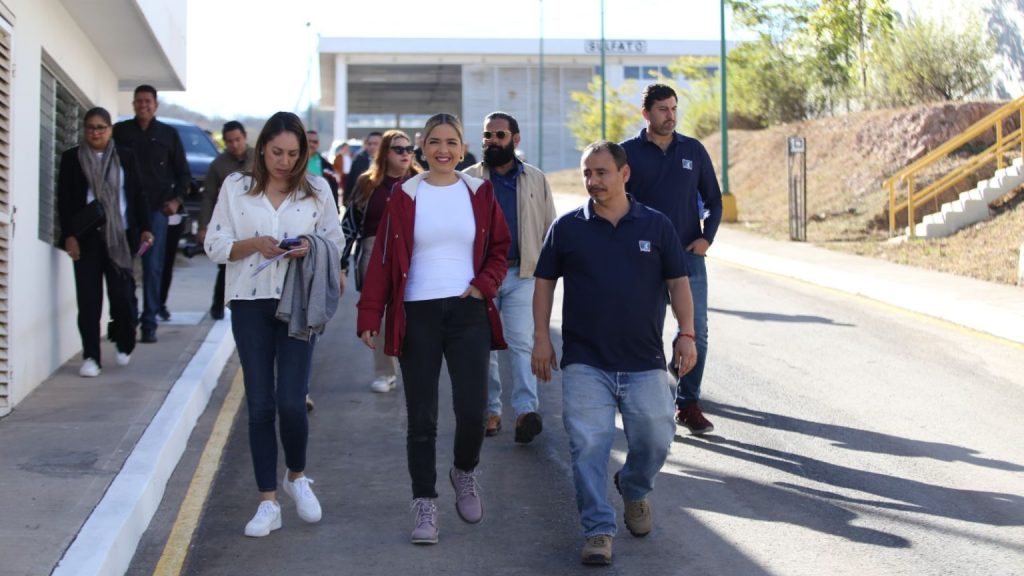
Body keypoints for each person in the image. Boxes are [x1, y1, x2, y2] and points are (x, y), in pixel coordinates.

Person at [532, 141, 697, 565]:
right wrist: (541, 338)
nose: (593, 181)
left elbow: (679, 282)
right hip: (586, 360)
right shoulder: (568, 227)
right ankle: (598, 529)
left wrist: (687, 333)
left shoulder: (656, 226)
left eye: (601, 172)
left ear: (624, 175)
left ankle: (636, 487)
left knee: (657, 437)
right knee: (587, 444)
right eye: (587, 173)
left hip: (644, 360)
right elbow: (545, 282)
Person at [356, 113, 510, 545]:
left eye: (452, 142)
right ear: (422, 146)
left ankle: (464, 471)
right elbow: (384, 261)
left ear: (463, 148)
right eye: (435, 141)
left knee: (474, 412)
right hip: (416, 314)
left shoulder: (479, 191)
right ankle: (424, 503)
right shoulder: (403, 196)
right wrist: (370, 313)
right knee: (421, 419)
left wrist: (484, 285)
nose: (444, 150)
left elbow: (500, 248)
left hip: (468, 312)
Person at [204, 112, 344, 538]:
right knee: (261, 403)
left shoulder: (318, 189)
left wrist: (309, 245)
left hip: (298, 302)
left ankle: (296, 476)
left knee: (291, 401)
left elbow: (335, 243)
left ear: (304, 155)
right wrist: (254, 245)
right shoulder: (235, 188)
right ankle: (268, 501)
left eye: (293, 154)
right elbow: (214, 245)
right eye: (277, 152)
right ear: (262, 147)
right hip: (248, 303)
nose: (284, 161)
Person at [620, 83, 722, 435]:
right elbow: (615, 203)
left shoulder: (692, 149)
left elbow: (714, 199)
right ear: (646, 114)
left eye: (674, 108)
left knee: (697, 333)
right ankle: (649, 402)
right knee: (645, 333)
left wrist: (706, 238)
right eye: (662, 109)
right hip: (643, 261)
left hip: (688, 259)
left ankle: (687, 403)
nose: (670, 115)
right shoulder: (626, 153)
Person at [463, 111, 557, 442]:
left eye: (499, 135)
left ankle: (525, 412)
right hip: (482, 276)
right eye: (487, 135)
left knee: (520, 343)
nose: (492, 141)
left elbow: (550, 226)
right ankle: (491, 412)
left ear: (515, 140)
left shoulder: (535, 178)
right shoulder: (468, 179)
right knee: (483, 347)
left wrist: (550, 270)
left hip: (523, 273)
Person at [58, 107, 154, 377]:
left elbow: (137, 194)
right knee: (89, 301)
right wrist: (70, 236)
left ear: (110, 129)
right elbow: (64, 202)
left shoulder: (125, 156)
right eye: (90, 127)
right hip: (87, 238)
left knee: (122, 297)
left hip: (120, 237)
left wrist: (146, 227)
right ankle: (91, 356)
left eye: (100, 127)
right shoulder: (72, 158)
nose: (95, 132)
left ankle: (124, 342)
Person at [341, 129, 422, 393]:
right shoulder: (367, 183)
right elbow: (349, 226)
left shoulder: (421, 183)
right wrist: (341, 265)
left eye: (409, 149)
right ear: (385, 153)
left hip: (412, 254)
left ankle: (414, 368)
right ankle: (385, 372)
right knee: (382, 315)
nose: (406, 154)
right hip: (373, 251)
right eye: (399, 149)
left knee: (414, 315)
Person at [112, 85, 191, 344]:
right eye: (139, 101)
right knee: (124, 267)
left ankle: (149, 323)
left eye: (148, 101)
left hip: (156, 212)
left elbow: (183, 174)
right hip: (126, 213)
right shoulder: (121, 132)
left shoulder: (168, 134)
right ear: (133, 104)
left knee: (152, 268)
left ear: (155, 105)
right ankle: (128, 317)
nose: (143, 105)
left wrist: (176, 201)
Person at [199, 121, 254, 320]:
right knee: (225, 265)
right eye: (230, 141)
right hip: (230, 222)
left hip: (255, 220)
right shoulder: (218, 164)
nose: (234, 144)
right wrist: (205, 226)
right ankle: (217, 306)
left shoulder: (259, 158)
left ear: (244, 137)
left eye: (238, 139)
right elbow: (209, 196)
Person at [305, 130, 340, 209]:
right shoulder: (294, 162)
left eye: (315, 142)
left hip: (319, 208)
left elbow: (333, 188)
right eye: (308, 141)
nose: (311, 144)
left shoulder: (326, 165)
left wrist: (335, 209)